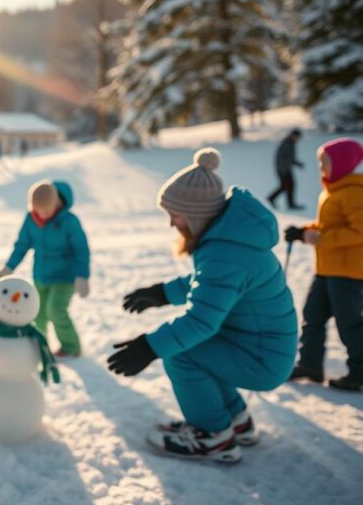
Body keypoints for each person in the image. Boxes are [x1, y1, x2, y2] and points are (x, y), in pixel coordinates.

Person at [110, 148, 297, 463]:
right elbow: (210, 285)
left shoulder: (226, 254)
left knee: (182, 354)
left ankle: (214, 436)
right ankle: (235, 420)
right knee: (201, 347)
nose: (171, 223)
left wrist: (149, 347)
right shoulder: (231, 239)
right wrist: (161, 293)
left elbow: (200, 320)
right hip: (259, 346)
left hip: (262, 358)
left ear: (195, 214)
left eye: (175, 214)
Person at [285, 137, 363, 391]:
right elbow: (327, 228)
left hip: (349, 272)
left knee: (349, 322)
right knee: (312, 316)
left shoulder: (354, 193)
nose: (321, 168)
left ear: (342, 163)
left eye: (325, 162)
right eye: (320, 163)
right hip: (326, 269)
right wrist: (303, 231)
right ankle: (310, 364)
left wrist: (319, 238)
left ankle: (359, 373)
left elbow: (359, 231)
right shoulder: (331, 192)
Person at [0, 179, 90, 357]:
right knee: (38, 314)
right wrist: (8, 267)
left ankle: (71, 347)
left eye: (46, 210)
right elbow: (22, 245)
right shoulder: (31, 219)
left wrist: (82, 276)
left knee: (55, 310)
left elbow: (81, 251)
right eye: (38, 211)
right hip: (41, 276)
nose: (42, 214)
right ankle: (39, 346)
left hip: (65, 278)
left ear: (56, 204)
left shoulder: (69, 221)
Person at [267, 128, 305, 210]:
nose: (298, 139)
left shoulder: (290, 143)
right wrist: (284, 171)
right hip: (283, 170)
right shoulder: (286, 144)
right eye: (297, 137)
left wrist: (297, 164)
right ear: (293, 135)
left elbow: (289, 158)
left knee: (288, 186)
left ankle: (288, 203)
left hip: (286, 169)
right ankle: (273, 198)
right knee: (287, 186)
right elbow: (281, 158)